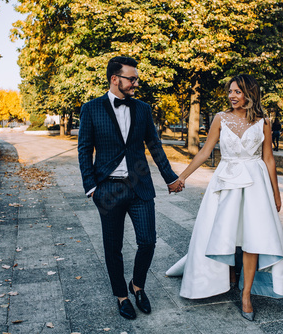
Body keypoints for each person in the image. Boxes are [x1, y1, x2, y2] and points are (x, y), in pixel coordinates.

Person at [166, 74, 283, 321]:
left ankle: (246, 294)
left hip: (255, 183)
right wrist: (181, 177)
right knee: (224, 231)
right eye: (230, 92)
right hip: (225, 181)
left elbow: (269, 159)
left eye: (237, 91)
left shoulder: (264, 122)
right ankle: (226, 276)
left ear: (249, 93)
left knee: (253, 237)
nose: (232, 96)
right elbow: (206, 151)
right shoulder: (220, 118)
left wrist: (276, 193)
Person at [78, 56, 183, 320]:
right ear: (115, 79)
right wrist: (91, 188)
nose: (136, 83)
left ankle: (137, 286)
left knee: (148, 240)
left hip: (139, 188)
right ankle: (121, 296)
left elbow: (155, 146)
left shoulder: (143, 109)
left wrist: (170, 177)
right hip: (108, 190)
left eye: (136, 78)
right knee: (112, 247)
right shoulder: (91, 109)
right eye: (131, 78)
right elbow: (84, 150)